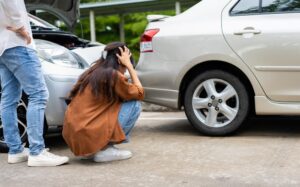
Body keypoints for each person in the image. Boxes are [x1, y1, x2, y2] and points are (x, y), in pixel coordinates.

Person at [0, 0, 69, 166]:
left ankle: (15, 150)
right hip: (17, 43)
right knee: (38, 94)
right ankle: (37, 151)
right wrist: (20, 27)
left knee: (9, 99)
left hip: (3, 46)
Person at [63, 42, 144, 162]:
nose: (126, 69)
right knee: (134, 104)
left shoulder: (92, 72)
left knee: (115, 104)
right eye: (126, 65)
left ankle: (93, 150)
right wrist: (130, 67)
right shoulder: (113, 75)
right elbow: (139, 93)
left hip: (75, 136)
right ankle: (105, 150)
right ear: (121, 61)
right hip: (89, 131)